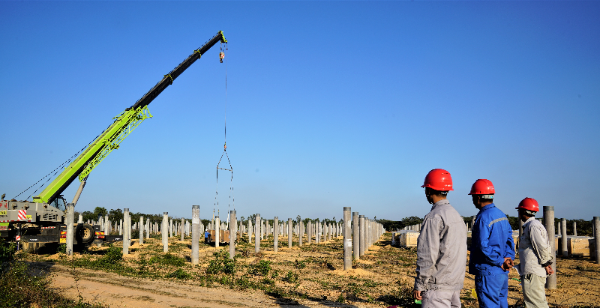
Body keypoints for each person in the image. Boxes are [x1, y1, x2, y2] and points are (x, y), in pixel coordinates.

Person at [413, 169, 467, 308]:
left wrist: (420, 284)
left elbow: (427, 255)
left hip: (437, 287)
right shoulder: (456, 216)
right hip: (454, 285)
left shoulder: (434, 217)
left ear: (429, 190)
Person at [468, 179, 515, 308]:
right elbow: (510, 240)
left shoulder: (483, 217)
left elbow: (483, 245)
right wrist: (508, 259)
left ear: (478, 197)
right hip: (502, 273)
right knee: (501, 304)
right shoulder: (501, 215)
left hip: (488, 272)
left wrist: (500, 261)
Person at [516, 197, 554, 308]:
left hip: (533, 273)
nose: (518, 213)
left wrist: (546, 263)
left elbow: (540, 247)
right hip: (533, 271)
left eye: (519, 211)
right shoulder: (532, 226)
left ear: (524, 211)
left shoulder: (533, 226)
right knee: (535, 303)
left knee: (536, 304)